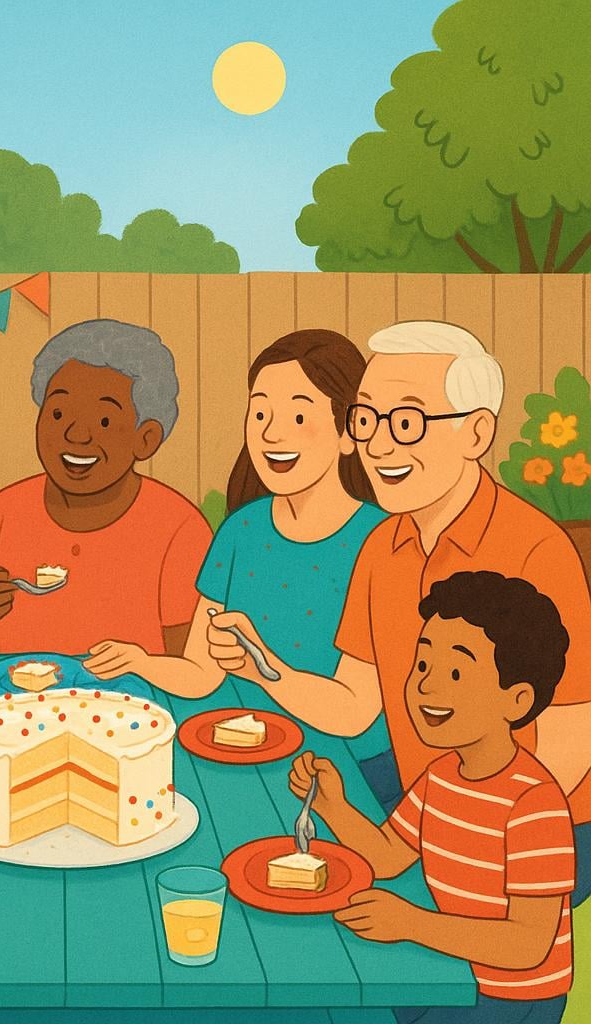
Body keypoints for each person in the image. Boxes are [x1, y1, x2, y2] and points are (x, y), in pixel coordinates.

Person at [207, 320, 591, 903]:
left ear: (476, 432)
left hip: (537, 829)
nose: (379, 446)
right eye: (366, 421)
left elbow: (570, 741)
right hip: (423, 814)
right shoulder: (382, 549)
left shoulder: (534, 549)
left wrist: (455, 833)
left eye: (407, 423)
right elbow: (356, 706)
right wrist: (267, 669)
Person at [84, 330, 399, 812]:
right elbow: (202, 673)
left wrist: (266, 671)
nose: (272, 433)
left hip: (354, 775)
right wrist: (140, 661)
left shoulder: (382, 542)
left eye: (298, 415)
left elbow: (355, 712)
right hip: (255, 754)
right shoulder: (240, 532)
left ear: (348, 430)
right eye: (260, 412)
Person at [290, 571, 573, 1024]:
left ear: (517, 701)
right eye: (423, 665)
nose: (426, 685)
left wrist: (410, 923)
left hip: (510, 1000)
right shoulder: (441, 776)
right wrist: (331, 806)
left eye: (456, 672)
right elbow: (386, 857)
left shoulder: (534, 803)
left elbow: (527, 944)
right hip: (448, 967)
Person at [0, 319, 212, 657]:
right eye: (58, 413)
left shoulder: (178, 529)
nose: (76, 435)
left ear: (145, 440)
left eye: (103, 421)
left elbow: (194, 666)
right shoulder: (1, 515)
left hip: (136, 706)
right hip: (23, 704)